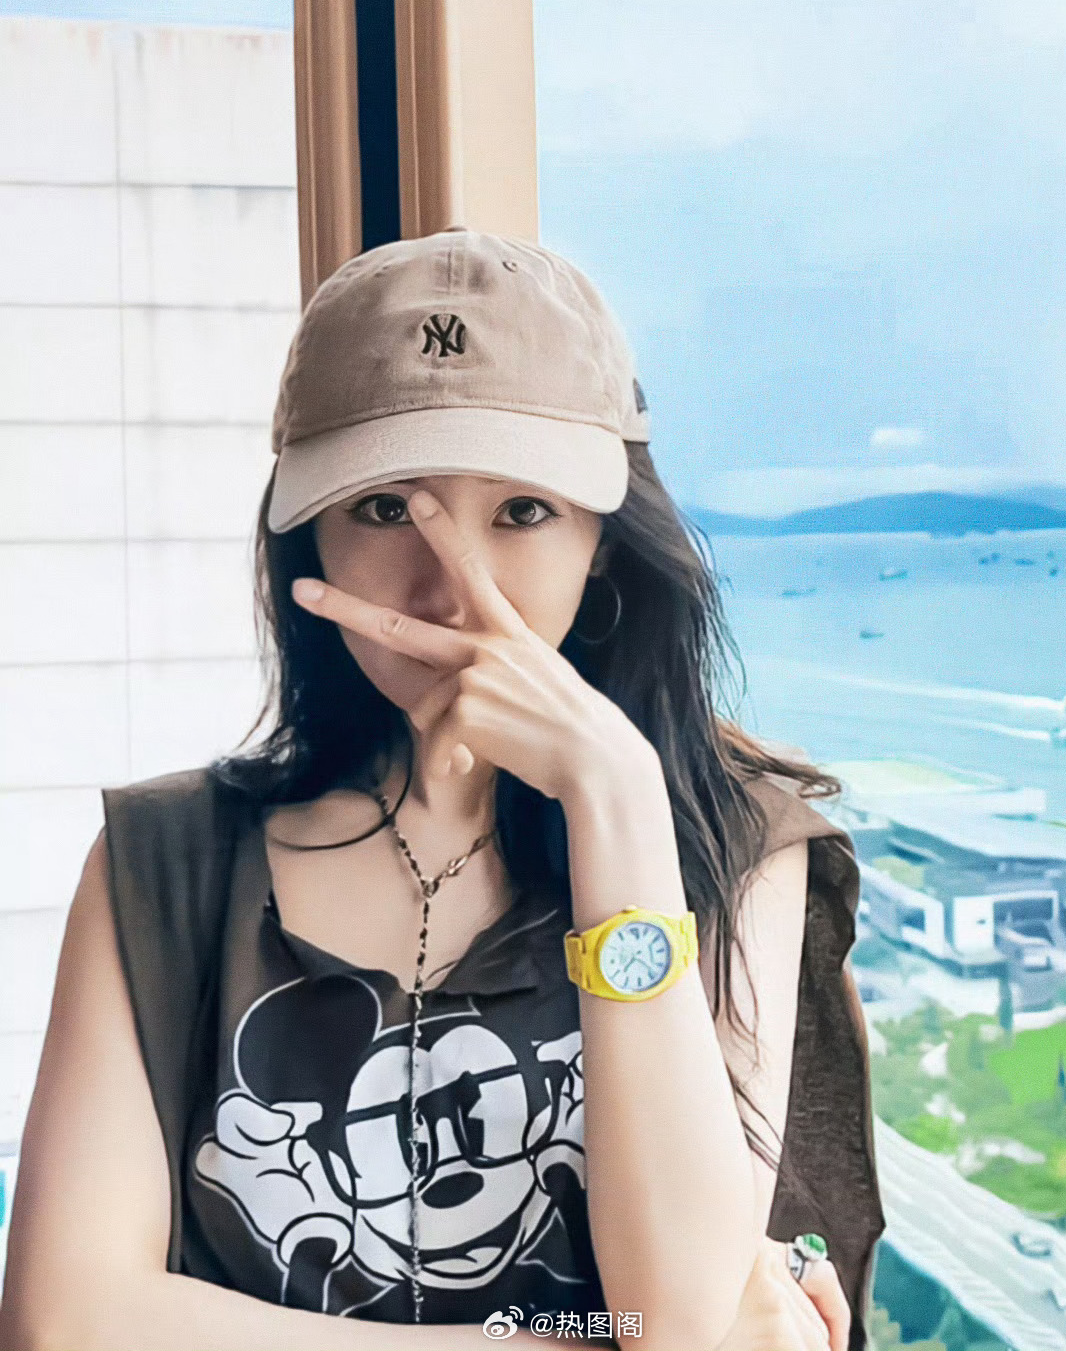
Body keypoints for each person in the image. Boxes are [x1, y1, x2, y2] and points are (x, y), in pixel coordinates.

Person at [0, 228, 884, 1351]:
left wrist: (613, 795)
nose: (454, 590)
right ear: (307, 539)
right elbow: (64, 1323)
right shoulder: (163, 864)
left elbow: (673, 1316)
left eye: (522, 511)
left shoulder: (733, 842)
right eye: (385, 508)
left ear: (605, 543)